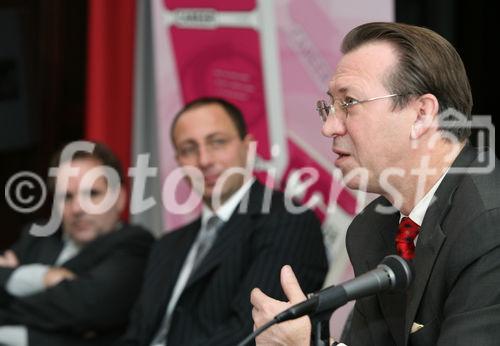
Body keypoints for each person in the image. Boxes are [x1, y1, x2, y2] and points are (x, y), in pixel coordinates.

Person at [250, 22, 500, 346]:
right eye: (329, 106)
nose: (329, 127)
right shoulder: (373, 227)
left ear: (422, 114)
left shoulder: (489, 222)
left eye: (349, 103)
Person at [120, 97, 328, 345]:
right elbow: (136, 335)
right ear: (178, 161)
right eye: (188, 149)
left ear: (248, 147)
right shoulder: (167, 245)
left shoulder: (288, 222)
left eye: (217, 142)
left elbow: (250, 333)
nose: (204, 160)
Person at [0, 141, 154, 346]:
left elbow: (87, 308)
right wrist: (45, 278)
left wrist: (12, 284)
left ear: (120, 199)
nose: (78, 208)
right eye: (67, 196)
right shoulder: (36, 236)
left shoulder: (136, 244)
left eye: (92, 194)